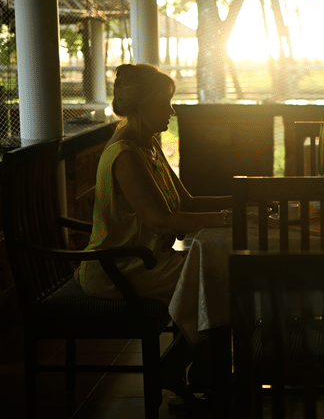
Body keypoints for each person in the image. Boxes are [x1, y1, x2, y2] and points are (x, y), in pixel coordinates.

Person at [74, 63, 231, 409]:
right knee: (216, 277)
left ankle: (185, 370)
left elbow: (186, 202)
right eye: (165, 103)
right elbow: (161, 222)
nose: (172, 111)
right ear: (142, 107)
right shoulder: (126, 155)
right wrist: (227, 217)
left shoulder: (148, 143)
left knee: (213, 271)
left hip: (144, 261)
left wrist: (243, 200)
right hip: (117, 268)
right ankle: (211, 380)